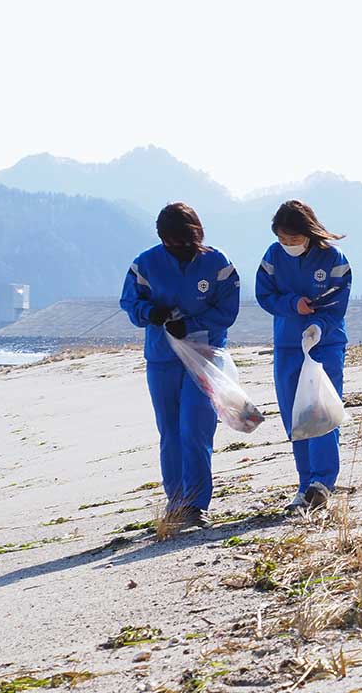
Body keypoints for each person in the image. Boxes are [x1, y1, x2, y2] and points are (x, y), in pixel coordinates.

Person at [119, 203, 241, 528]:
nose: (179, 249)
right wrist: (151, 314)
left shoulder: (218, 263)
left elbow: (228, 309)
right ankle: (176, 502)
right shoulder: (146, 263)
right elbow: (130, 302)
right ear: (162, 238)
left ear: (197, 235)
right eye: (172, 243)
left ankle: (196, 505)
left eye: (185, 242)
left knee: (195, 428)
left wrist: (193, 323)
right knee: (170, 432)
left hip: (203, 357)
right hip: (161, 359)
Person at [256, 200, 351, 512]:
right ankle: (304, 482)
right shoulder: (273, 255)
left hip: (325, 344)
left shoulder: (333, 259)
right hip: (287, 344)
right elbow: (264, 294)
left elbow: (338, 305)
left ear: (309, 233)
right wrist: (292, 304)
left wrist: (318, 326)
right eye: (283, 240)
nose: (288, 246)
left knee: (321, 412)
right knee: (295, 416)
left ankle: (322, 481)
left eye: (294, 240)